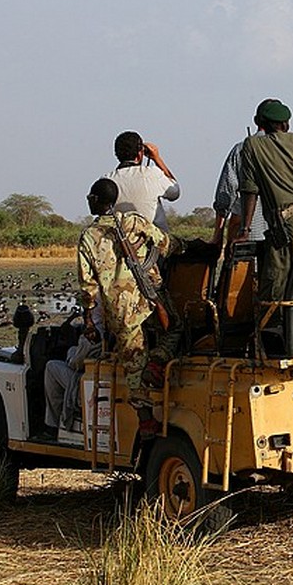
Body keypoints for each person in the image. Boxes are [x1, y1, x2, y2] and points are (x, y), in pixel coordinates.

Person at [77, 178, 181, 438]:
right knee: (177, 328)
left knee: (133, 362)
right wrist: (193, 247)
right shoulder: (133, 221)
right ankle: (158, 362)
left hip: (120, 312)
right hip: (151, 298)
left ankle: (146, 419)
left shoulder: (88, 237)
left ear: (96, 201)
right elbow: (165, 244)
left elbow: (87, 286)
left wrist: (89, 320)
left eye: (91, 197)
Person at [232, 98, 293, 303]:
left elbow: (249, 190)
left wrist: (244, 230)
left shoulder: (252, 145)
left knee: (275, 293)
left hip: (284, 228)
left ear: (259, 124)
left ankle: (273, 333)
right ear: (286, 124)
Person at [105, 130, 179, 232]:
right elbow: (175, 193)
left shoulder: (106, 181)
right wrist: (157, 159)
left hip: (121, 244)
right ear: (140, 154)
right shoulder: (152, 174)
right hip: (157, 243)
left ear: (116, 154)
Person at [42, 326, 99, 438]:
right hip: (92, 374)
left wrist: (83, 338)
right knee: (72, 350)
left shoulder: (96, 333)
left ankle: (53, 424)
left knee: (51, 367)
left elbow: (76, 363)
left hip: (88, 381)